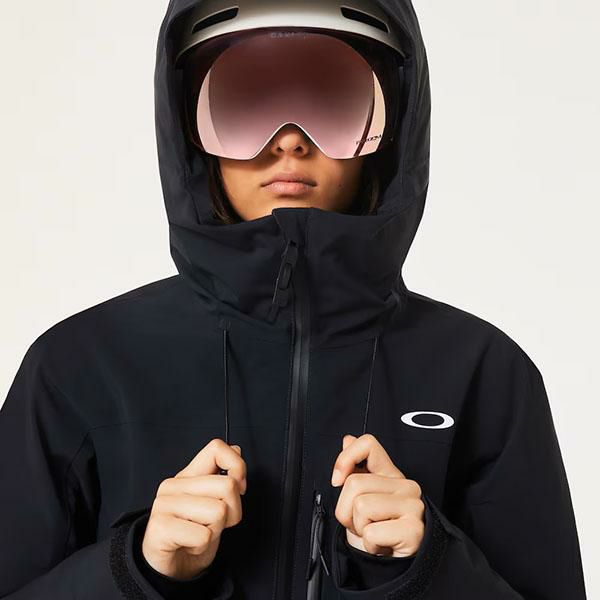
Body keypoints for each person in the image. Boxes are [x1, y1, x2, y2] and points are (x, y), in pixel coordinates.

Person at [0, 1, 588, 599]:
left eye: (332, 100)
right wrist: (136, 570)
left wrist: (428, 567)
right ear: (188, 128)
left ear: (390, 127)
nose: (288, 141)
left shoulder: (484, 373)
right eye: (243, 101)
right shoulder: (79, 366)